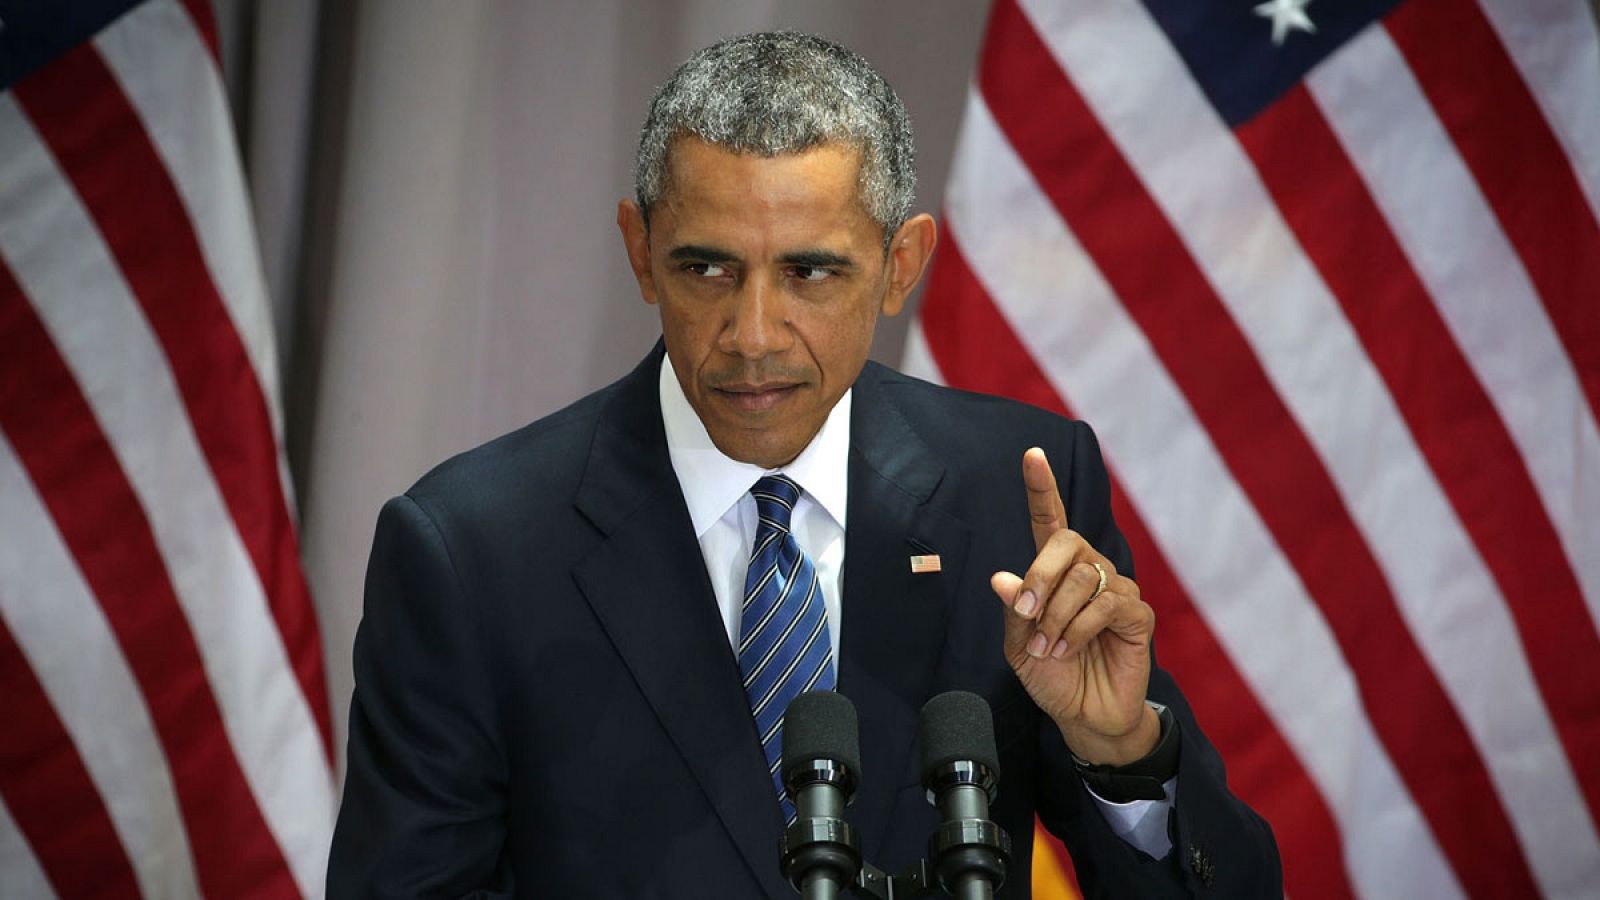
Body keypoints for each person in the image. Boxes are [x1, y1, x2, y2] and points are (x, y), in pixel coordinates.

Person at [327, 31, 1280, 898]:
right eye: (707, 269)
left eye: (809, 273)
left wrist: (1117, 751)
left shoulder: (1015, 492)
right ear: (641, 252)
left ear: (901, 265)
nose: (752, 337)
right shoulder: (471, 552)